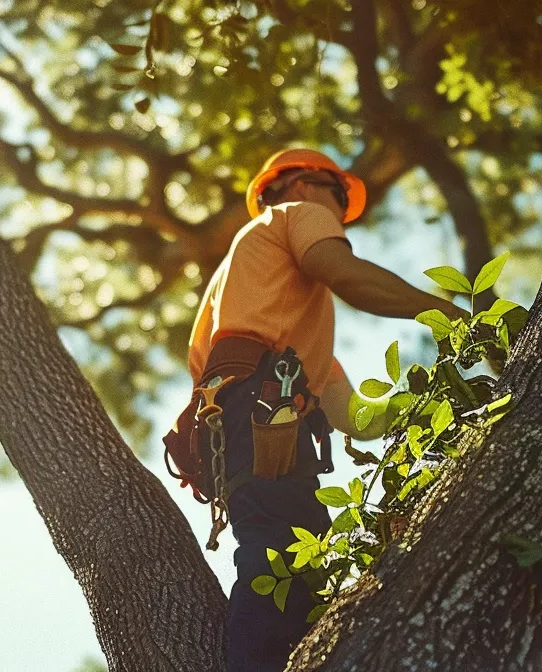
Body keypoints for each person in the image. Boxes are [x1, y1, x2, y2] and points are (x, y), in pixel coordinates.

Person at [176, 148, 467, 671]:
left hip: (256, 417)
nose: (339, 214)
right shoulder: (291, 215)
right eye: (339, 197)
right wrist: (449, 313)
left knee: (302, 566)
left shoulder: (273, 322)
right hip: (262, 410)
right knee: (277, 555)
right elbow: (346, 275)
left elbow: (356, 419)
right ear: (305, 186)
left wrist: (436, 401)